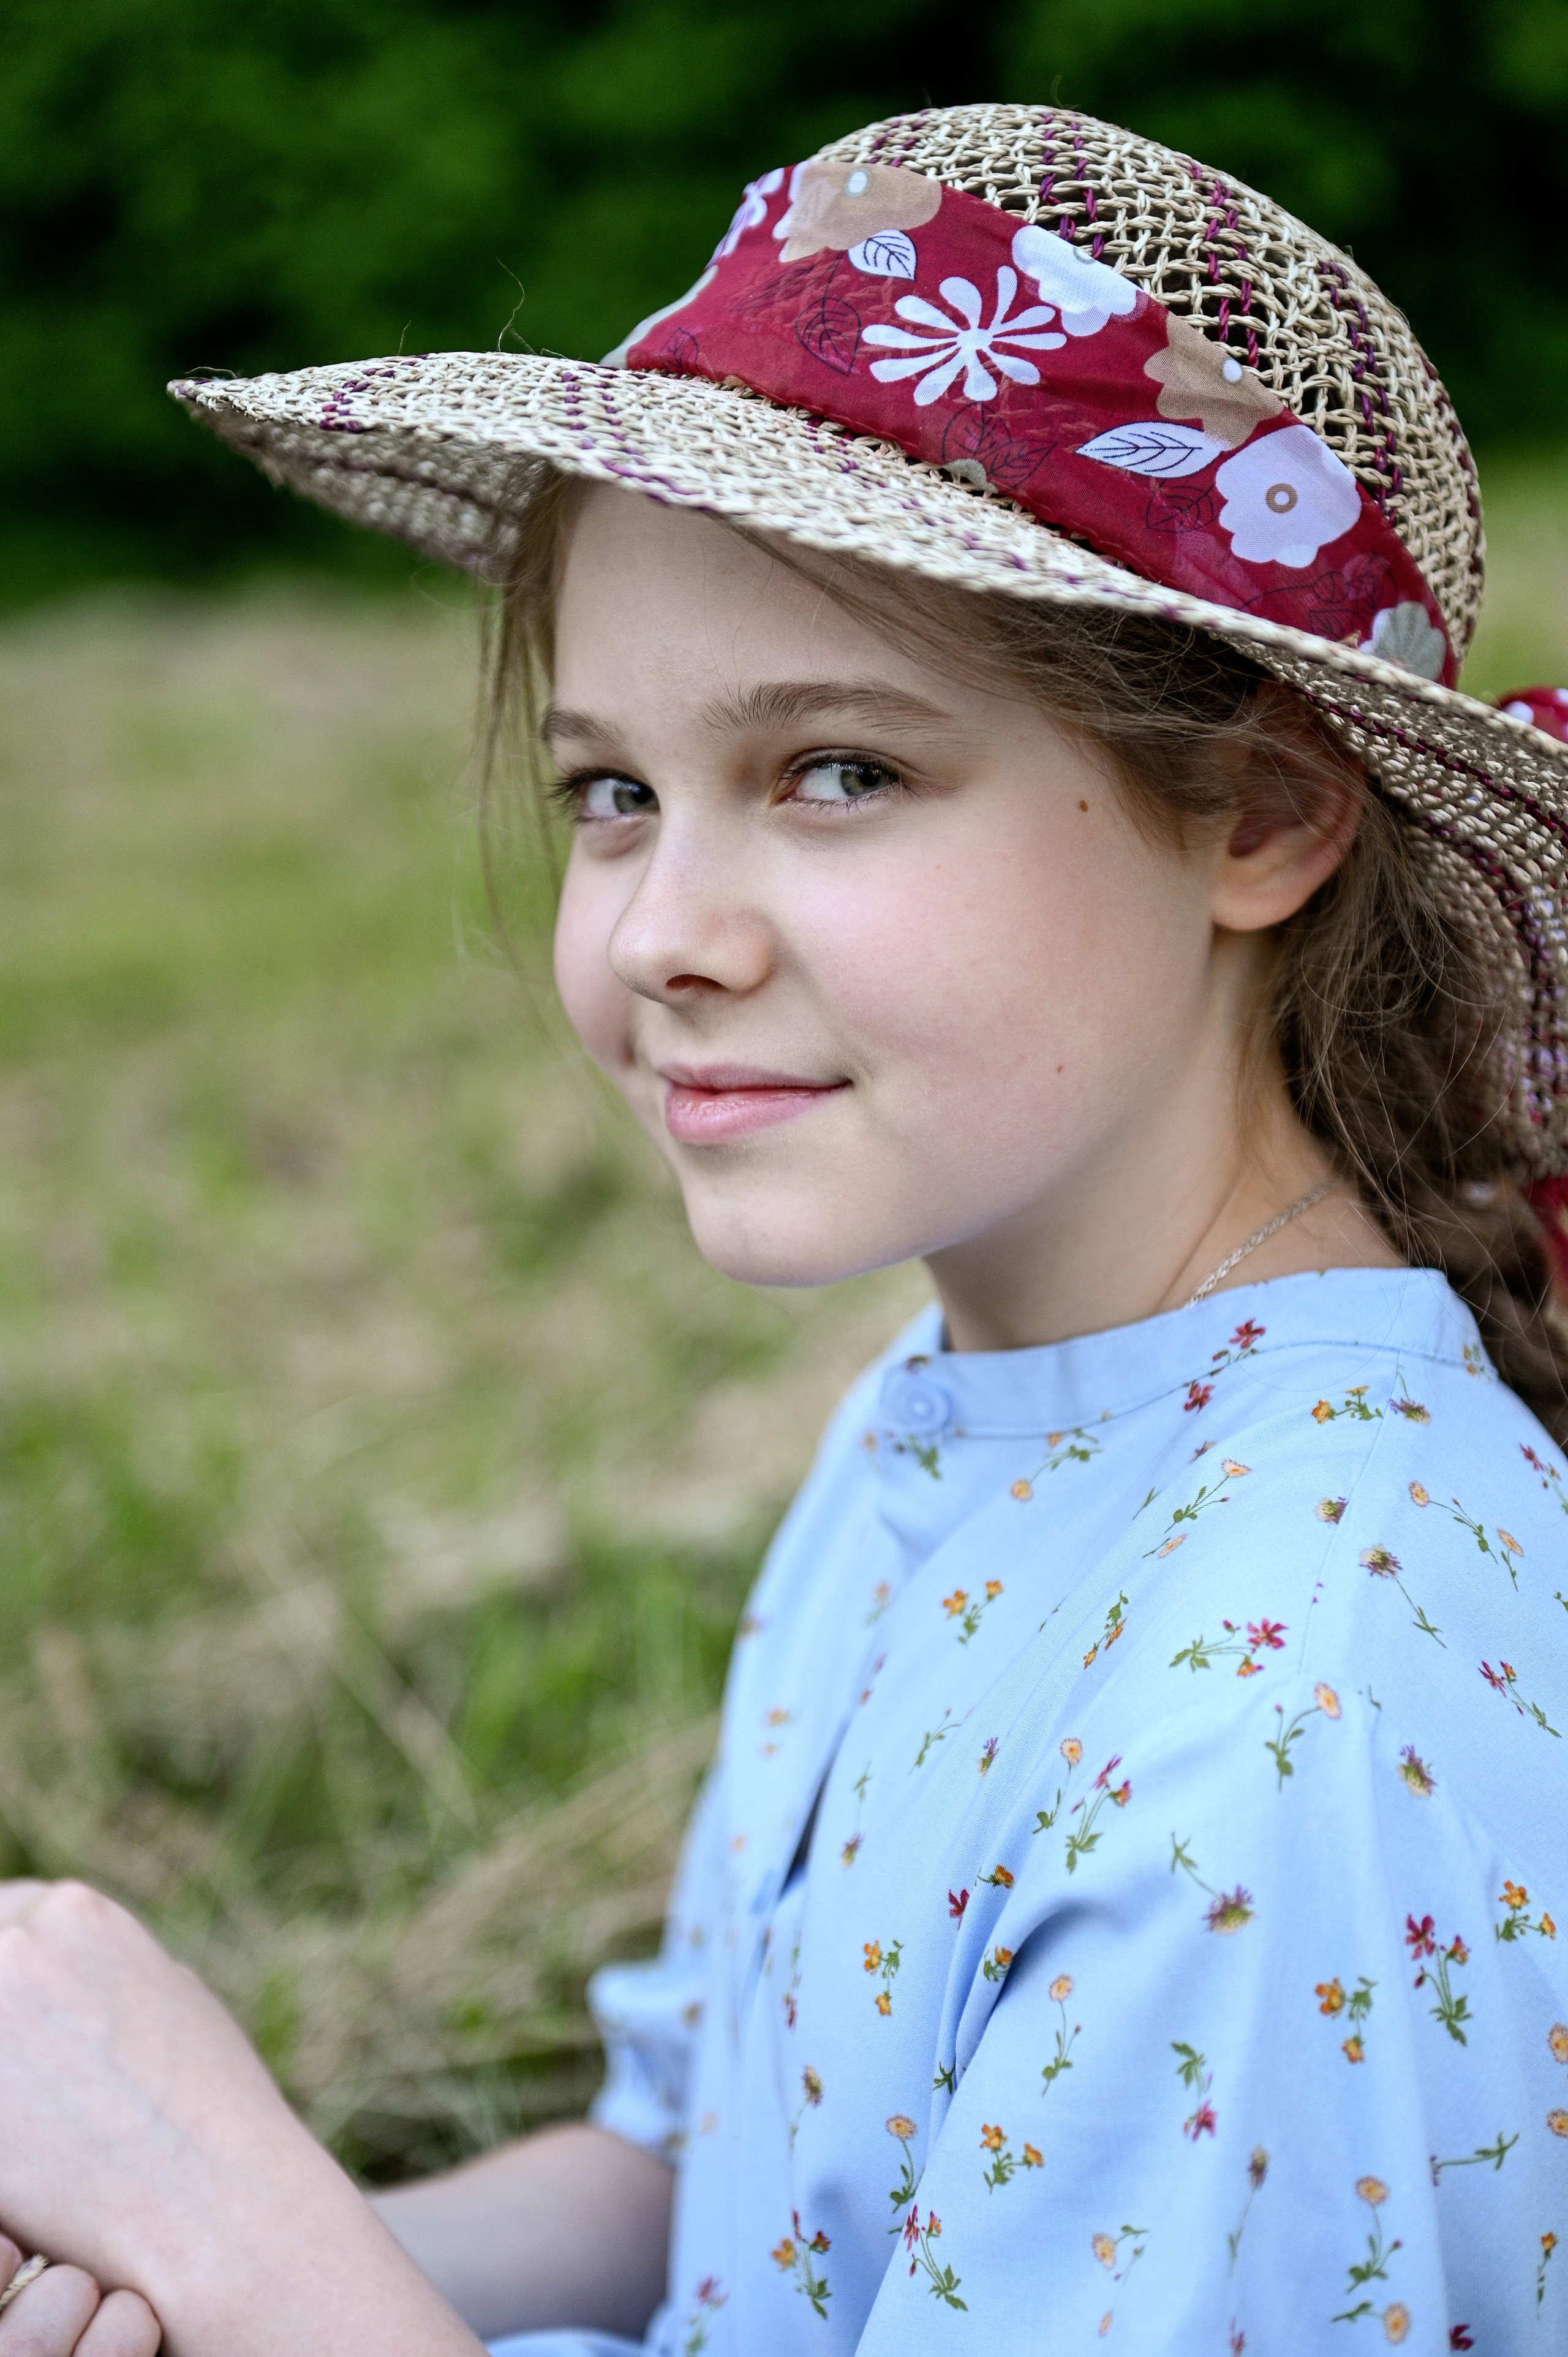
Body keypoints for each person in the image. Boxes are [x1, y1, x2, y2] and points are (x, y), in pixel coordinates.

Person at [1, 98, 1566, 2357]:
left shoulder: (1286, 1714)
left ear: (1258, 817)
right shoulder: (959, 1421)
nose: (663, 934)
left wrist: (248, 2228)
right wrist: (146, 2244)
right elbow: (704, 2172)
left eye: (840, 771)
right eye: (614, 792)